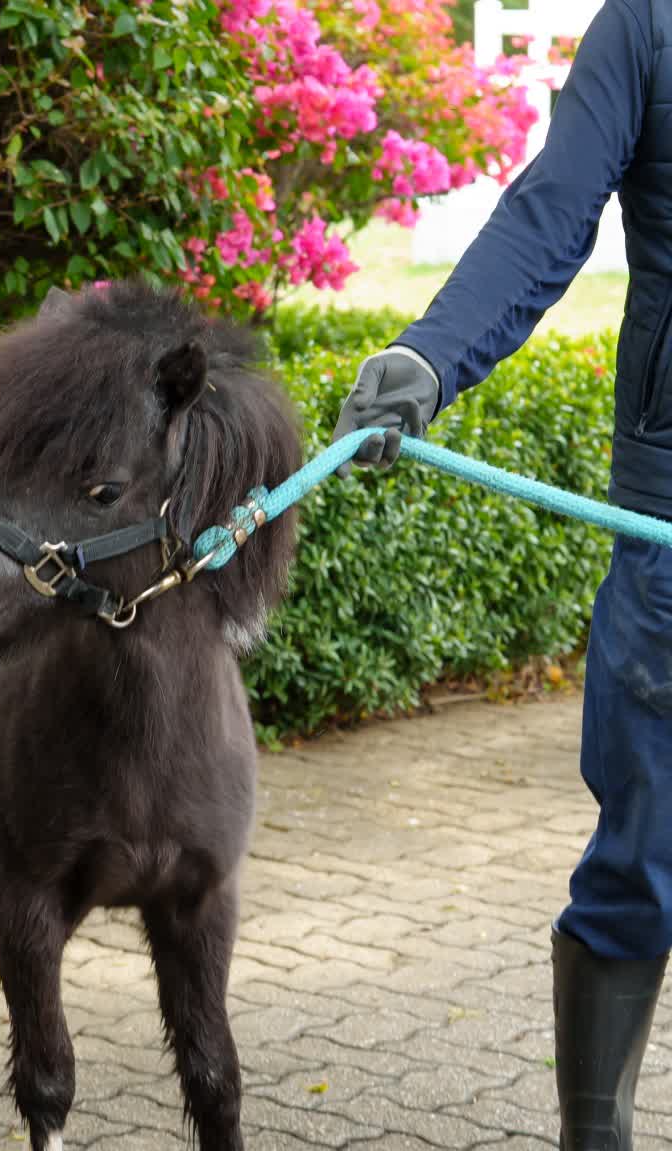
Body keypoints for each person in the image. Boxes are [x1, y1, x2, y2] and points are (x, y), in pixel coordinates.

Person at [331, 2, 669, 1146]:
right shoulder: (647, 26)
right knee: (645, 846)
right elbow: (546, 216)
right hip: (671, 530)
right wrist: (424, 357)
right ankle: (596, 1131)